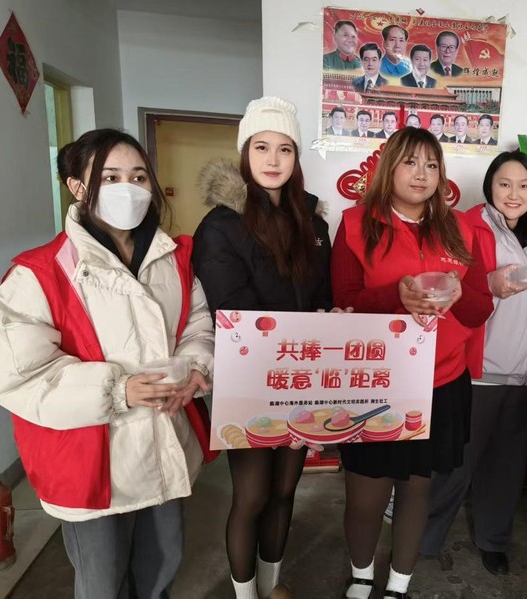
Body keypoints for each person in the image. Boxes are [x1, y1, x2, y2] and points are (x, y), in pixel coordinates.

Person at [0, 128, 215, 598]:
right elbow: (22, 375)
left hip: (164, 442)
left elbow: (197, 326)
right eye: (110, 177)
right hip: (91, 460)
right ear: (77, 186)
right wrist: (116, 390)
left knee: (161, 566)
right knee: (102, 581)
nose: (128, 188)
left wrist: (196, 368)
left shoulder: (173, 260)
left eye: (138, 177)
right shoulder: (39, 273)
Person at [331, 127, 493, 599]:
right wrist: (394, 296)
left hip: (441, 380)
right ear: (390, 168)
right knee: (367, 493)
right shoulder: (356, 224)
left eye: (431, 164)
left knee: (418, 488)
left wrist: (461, 294)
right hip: (375, 381)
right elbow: (344, 300)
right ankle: (362, 577)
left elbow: (480, 310)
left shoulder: (460, 228)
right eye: (410, 162)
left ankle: (398, 584)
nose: (421, 174)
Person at [192, 97, 332, 599]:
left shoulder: (314, 224)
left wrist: (331, 320)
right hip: (248, 378)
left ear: (296, 157)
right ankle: (245, 593)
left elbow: (322, 297)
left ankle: (272, 585)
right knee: (251, 495)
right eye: (261, 147)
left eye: (285, 149)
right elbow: (234, 311)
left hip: (301, 375)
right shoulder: (220, 226)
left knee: (285, 489)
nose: (273, 160)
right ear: (245, 152)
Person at [420, 151, 527, 576]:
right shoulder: (466, 226)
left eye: (524, 186)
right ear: (490, 185)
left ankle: (494, 541)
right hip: (482, 371)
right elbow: (448, 286)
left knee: (508, 465)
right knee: (455, 466)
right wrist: (490, 284)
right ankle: (421, 539)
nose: (515, 194)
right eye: (505, 184)